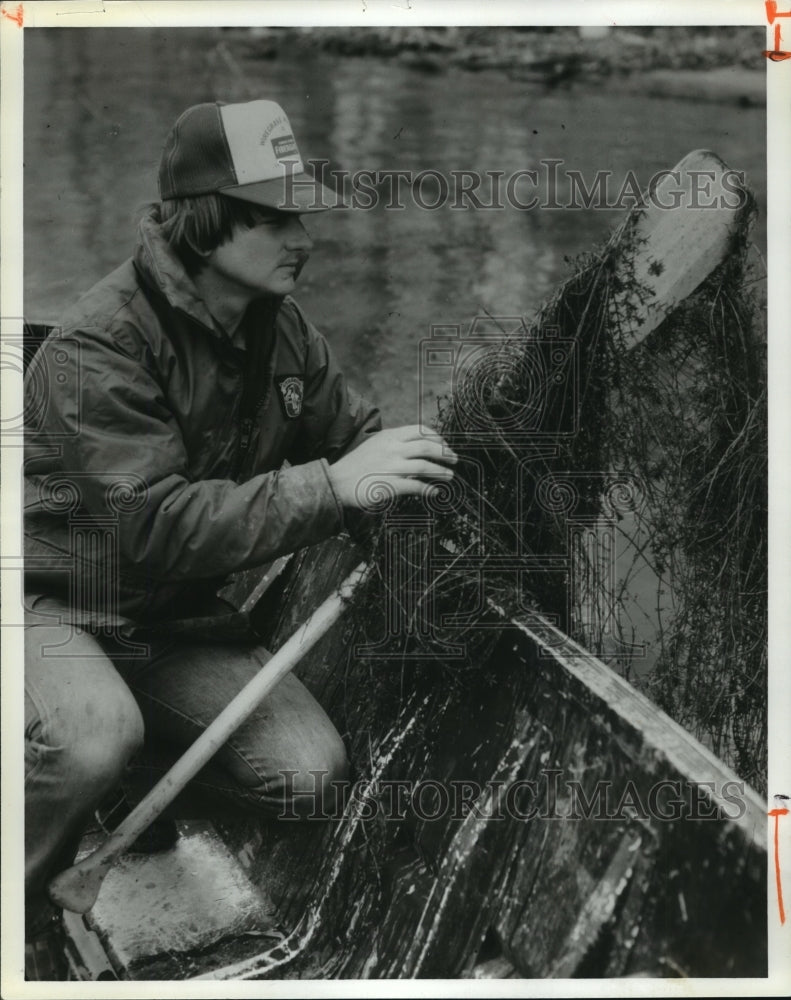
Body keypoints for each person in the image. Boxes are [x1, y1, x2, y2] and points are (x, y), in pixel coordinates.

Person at [22, 99, 456, 980]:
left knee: (309, 776)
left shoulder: (280, 326)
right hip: (58, 600)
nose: (304, 236)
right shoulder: (94, 351)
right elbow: (149, 528)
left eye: (303, 214)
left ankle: (123, 788)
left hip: (173, 622)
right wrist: (331, 488)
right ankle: (17, 904)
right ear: (208, 225)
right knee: (93, 736)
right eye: (276, 217)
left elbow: (353, 438)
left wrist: (422, 484)